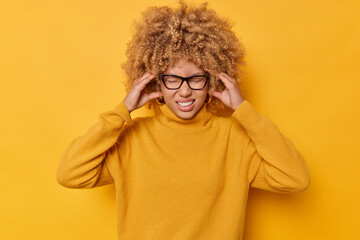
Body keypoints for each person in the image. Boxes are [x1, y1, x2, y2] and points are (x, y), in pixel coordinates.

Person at [56, 2, 310, 240]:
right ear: (156, 82)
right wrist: (122, 111)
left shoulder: (234, 138)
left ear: (212, 80)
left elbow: (295, 178)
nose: (185, 91)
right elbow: (70, 174)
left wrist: (245, 112)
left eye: (196, 79)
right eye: (173, 80)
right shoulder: (131, 138)